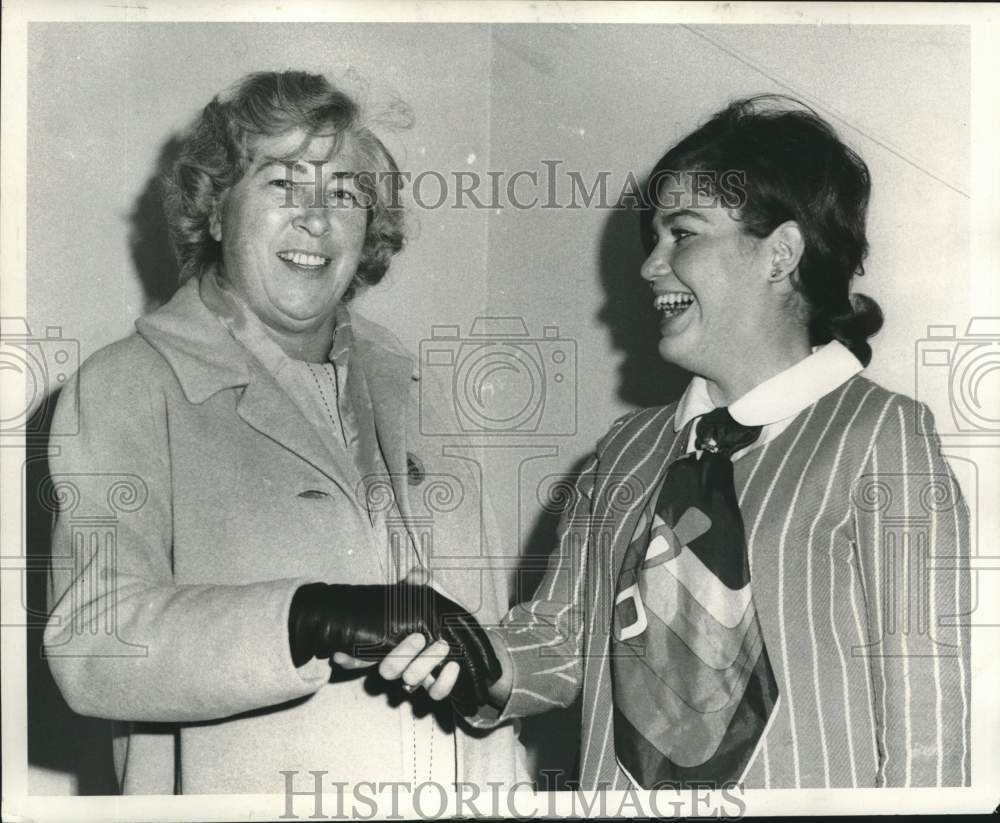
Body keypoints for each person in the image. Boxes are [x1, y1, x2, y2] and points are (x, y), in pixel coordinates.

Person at [382, 95, 972, 789]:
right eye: (653, 238)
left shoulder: (880, 436)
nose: (649, 266)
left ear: (780, 253)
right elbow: (558, 639)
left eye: (682, 234)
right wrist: (469, 656)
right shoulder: (625, 449)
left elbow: (928, 727)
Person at [43, 70, 524, 794]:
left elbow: (486, 636)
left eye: (343, 193)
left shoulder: (417, 386)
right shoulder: (125, 385)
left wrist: (494, 689)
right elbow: (93, 640)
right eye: (281, 184)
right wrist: (310, 617)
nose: (315, 218)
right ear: (214, 210)